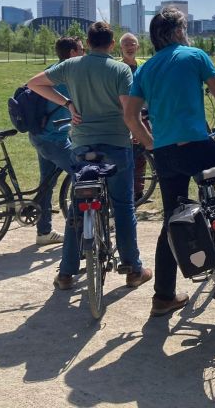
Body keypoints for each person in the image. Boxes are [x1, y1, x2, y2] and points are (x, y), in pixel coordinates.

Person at [123, 8, 215, 318]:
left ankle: (163, 297)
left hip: (166, 153)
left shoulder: (146, 70)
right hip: (197, 146)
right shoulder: (195, 56)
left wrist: (150, 144)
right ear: (177, 32)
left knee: (171, 220)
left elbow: (130, 117)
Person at [28, 21, 151, 292]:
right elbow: (127, 110)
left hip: (82, 145)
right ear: (111, 44)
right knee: (123, 206)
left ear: (89, 41)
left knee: (78, 204)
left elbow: (34, 83)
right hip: (117, 144)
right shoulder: (120, 70)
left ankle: (66, 273)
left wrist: (68, 103)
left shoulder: (72, 65)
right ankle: (133, 268)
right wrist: (144, 138)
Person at [29, 36, 84, 247]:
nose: (84, 52)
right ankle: (80, 228)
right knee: (83, 175)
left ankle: (44, 231)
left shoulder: (53, 69)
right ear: (72, 53)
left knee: (46, 184)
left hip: (41, 135)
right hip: (54, 139)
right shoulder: (69, 74)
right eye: (80, 49)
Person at [119, 32, 150, 205]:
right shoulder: (117, 66)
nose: (130, 47)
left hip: (144, 114)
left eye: (132, 44)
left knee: (142, 155)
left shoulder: (143, 65)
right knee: (127, 154)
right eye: (126, 44)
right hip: (124, 116)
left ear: (137, 47)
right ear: (121, 47)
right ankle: (127, 191)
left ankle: (139, 192)